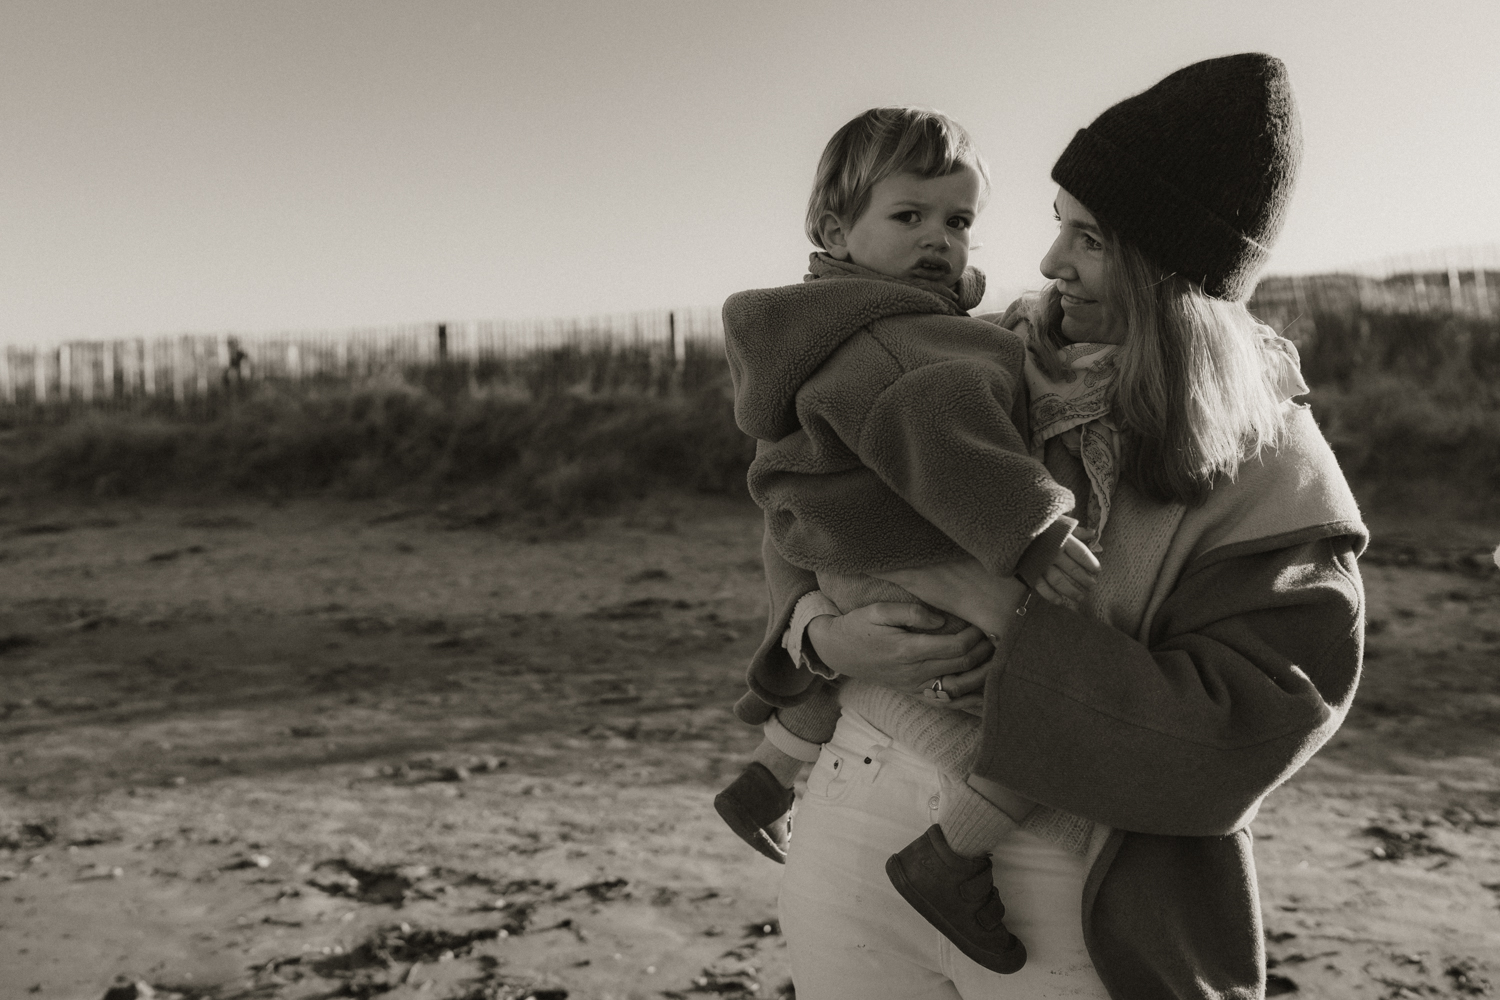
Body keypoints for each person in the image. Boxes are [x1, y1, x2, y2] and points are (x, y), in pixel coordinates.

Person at [759, 53, 1367, 999]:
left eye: (1088, 239)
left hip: (1085, 879)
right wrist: (820, 633)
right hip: (851, 811)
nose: (1047, 264)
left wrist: (1020, 643)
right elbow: (805, 496)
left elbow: (1257, 721)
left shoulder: (1274, 467)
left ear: (1165, 268)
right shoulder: (970, 357)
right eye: (1056, 226)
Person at [714, 106, 1103, 974]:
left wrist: (811, 630)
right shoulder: (895, 337)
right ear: (833, 229)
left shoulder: (829, 323)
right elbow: (943, 432)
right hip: (909, 554)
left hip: (843, 559)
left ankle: (769, 773)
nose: (940, 239)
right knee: (1054, 699)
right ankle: (954, 857)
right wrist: (1032, 530)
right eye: (910, 216)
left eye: (958, 221)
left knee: (889, 655)